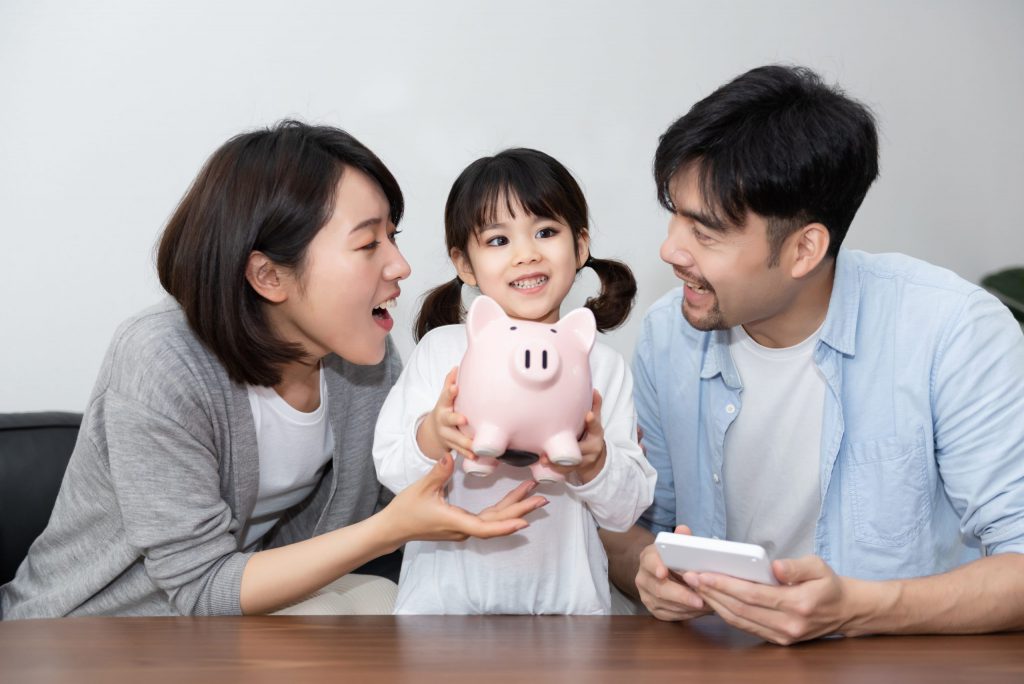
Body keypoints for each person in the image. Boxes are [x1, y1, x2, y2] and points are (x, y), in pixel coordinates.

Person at [0, 121, 547, 620]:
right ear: (268, 276)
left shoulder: (365, 364)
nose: (399, 265)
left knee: (399, 612)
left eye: (394, 236)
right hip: (82, 634)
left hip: (241, 624)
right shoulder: (162, 360)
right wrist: (388, 530)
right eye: (367, 243)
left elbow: (401, 493)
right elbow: (201, 587)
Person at [601, 65, 1024, 643]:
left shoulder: (951, 332)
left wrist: (858, 607)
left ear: (804, 249)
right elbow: (636, 528)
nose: (670, 249)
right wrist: (645, 573)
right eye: (673, 213)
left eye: (705, 232)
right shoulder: (668, 335)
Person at [373, 148, 657, 614]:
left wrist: (594, 462)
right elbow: (392, 472)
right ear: (465, 264)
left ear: (580, 247)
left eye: (545, 232)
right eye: (498, 240)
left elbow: (627, 509)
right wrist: (433, 435)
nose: (526, 254)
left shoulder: (600, 365)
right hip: (441, 611)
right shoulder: (443, 352)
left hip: (569, 612)